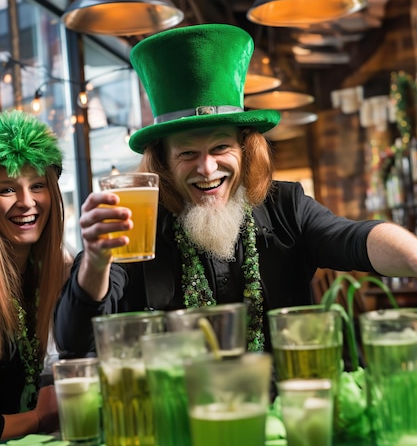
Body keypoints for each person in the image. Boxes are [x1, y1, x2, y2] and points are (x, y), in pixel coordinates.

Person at [53, 23, 417, 380]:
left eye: (220, 147)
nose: (207, 168)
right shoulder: (134, 223)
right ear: (163, 161)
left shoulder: (286, 205)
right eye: (188, 153)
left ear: (244, 149)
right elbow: (73, 341)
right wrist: (97, 262)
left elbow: (355, 239)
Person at [0, 109, 71, 440]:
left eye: (37, 185)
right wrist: (40, 418)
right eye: (7, 189)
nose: (26, 202)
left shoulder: (62, 270)